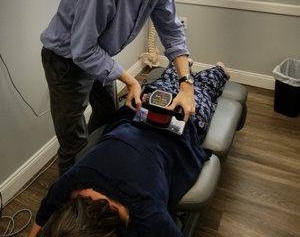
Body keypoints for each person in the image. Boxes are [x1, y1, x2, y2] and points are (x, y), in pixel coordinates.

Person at [40, 0, 203, 174]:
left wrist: (186, 85)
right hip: (66, 61)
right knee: (73, 143)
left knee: (107, 114)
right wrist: (130, 80)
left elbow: (171, 32)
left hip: (99, 54)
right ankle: (68, 200)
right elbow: (82, 50)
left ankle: (95, 166)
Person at [28, 63, 229, 237]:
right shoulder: (72, 181)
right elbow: (43, 216)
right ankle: (186, 67)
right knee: (167, 81)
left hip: (181, 128)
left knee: (205, 89)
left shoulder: (148, 214)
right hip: (142, 111)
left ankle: (218, 69)